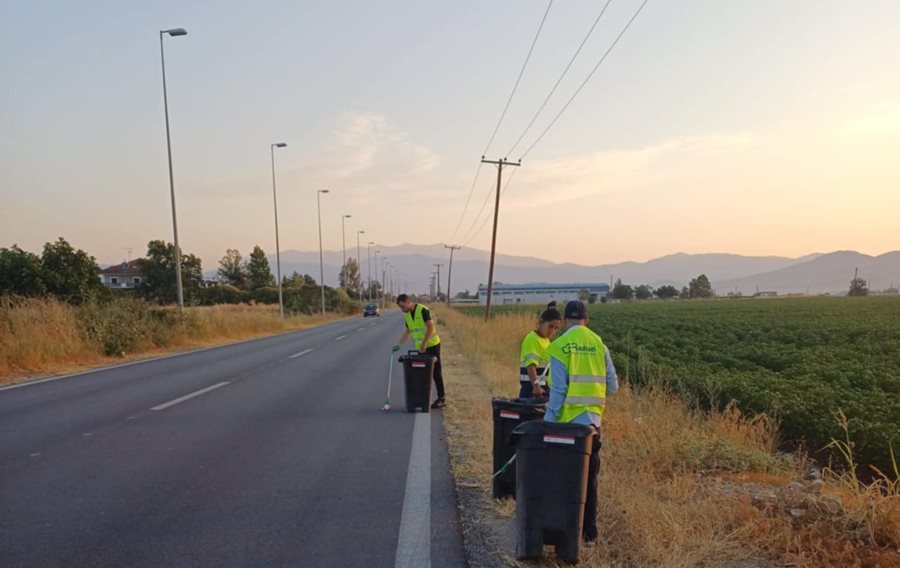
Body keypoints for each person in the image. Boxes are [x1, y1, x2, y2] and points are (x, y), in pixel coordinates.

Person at [544, 300, 618, 547]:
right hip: (592, 425)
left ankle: (564, 529)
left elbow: (558, 391)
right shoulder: (599, 345)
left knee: (562, 476)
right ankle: (589, 533)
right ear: (587, 320)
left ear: (565, 321)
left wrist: (548, 422)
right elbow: (613, 387)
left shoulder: (559, 345)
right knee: (589, 477)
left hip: (566, 425)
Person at [393, 294, 446, 409]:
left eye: (403, 306)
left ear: (408, 302)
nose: (402, 309)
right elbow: (408, 330)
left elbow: (430, 327)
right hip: (421, 348)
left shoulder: (422, 310)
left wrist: (424, 343)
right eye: (400, 307)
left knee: (436, 373)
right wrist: (399, 344)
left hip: (432, 344)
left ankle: (441, 398)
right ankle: (422, 398)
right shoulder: (407, 315)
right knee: (421, 373)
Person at [518, 305, 562, 398]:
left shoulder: (546, 341)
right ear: (541, 322)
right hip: (532, 390)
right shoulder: (532, 339)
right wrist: (536, 385)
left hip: (543, 389)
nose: (552, 331)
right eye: (550, 326)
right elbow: (531, 366)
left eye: (556, 328)